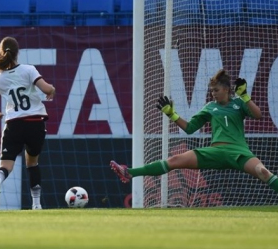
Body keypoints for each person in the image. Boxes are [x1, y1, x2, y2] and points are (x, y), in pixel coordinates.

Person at [110, 69, 278, 195]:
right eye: (211, 91)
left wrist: (245, 97)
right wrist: (172, 114)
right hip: (215, 151)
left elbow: (258, 115)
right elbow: (189, 128)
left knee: (263, 172)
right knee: (175, 160)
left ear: (227, 89)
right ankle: (129, 172)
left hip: (238, 151)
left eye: (216, 90)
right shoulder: (210, 107)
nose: (213, 94)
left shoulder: (239, 104)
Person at [0, 36, 55, 210]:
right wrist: (51, 90)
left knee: (5, 165)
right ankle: (36, 204)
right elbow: (46, 89)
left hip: (14, 124)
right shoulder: (28, 70)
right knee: (32, 163)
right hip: (35, 123)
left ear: (1, 53)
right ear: (17, 53)